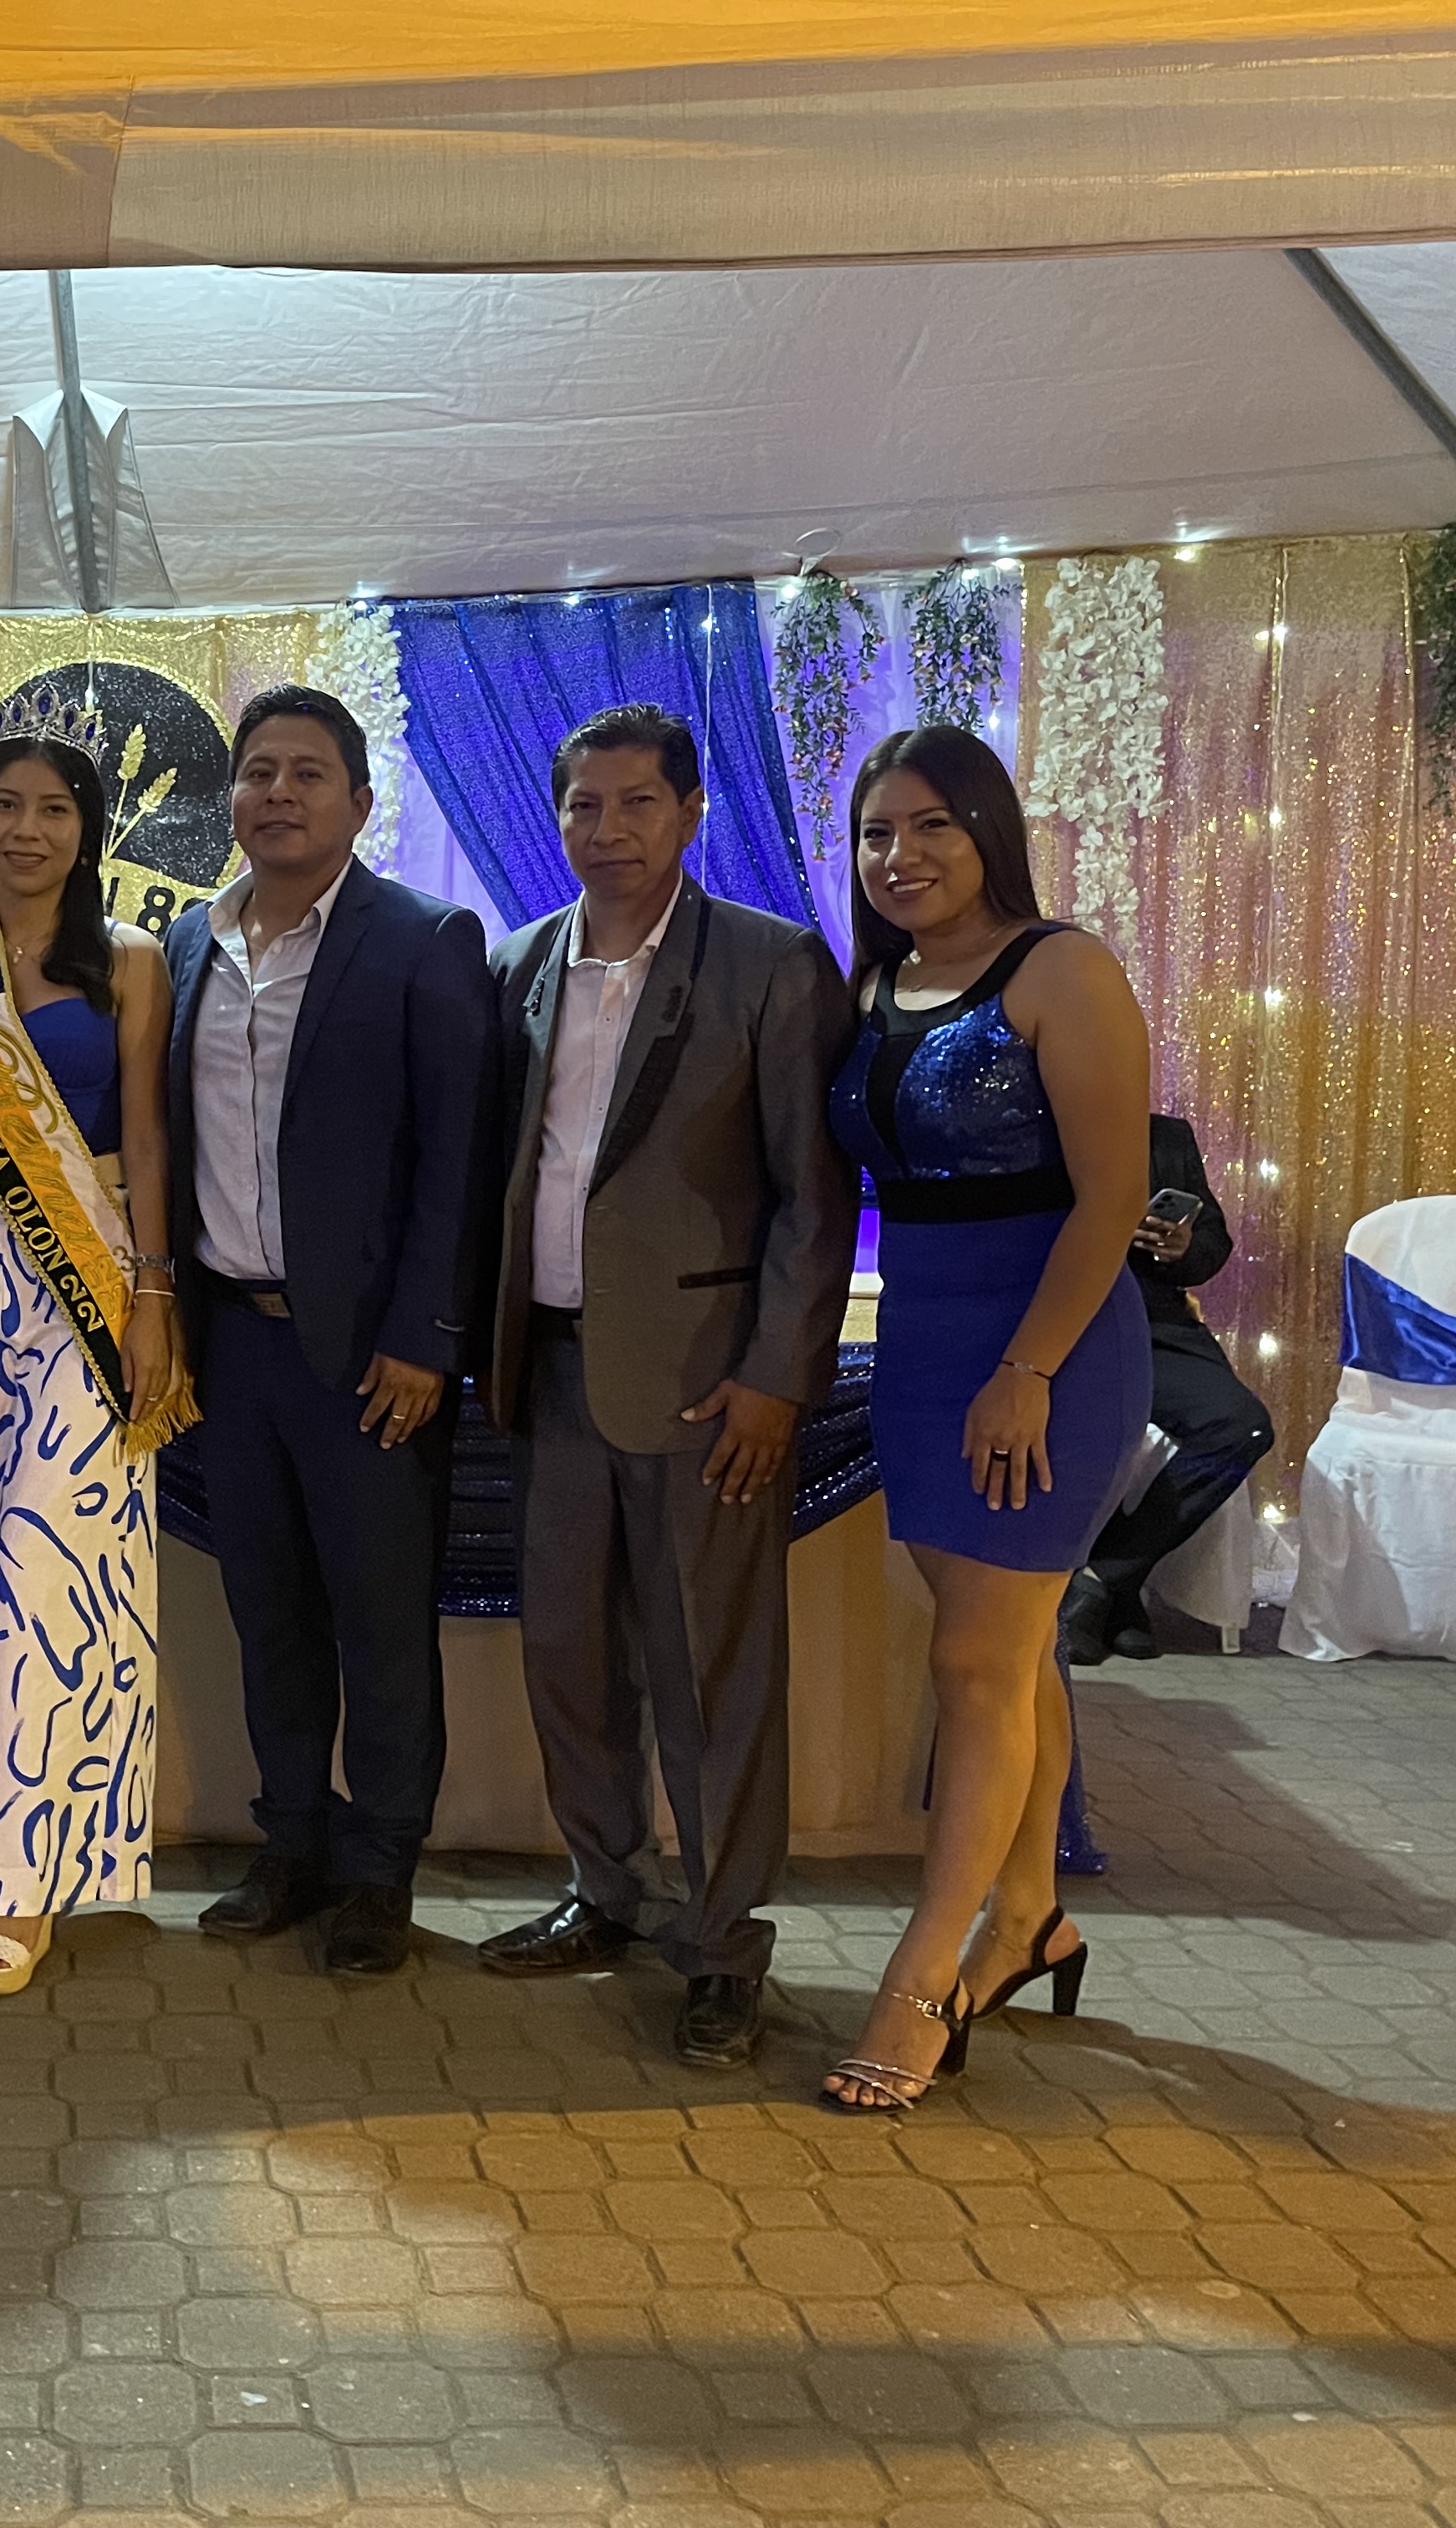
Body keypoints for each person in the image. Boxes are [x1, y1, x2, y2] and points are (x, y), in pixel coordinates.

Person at [471, 705, 859, 2068]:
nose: (609, 829)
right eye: (585, 804)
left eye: (638, 802)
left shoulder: (768, 964)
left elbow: (815, 1196)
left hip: (705, 1387)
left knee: (709, 1675)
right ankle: (606, 1888)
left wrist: (777, 1377)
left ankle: (724, 1941)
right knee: (569, 1657)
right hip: (549, 1367)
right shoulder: (519, 963)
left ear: (691, 812)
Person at [817, 728, 1150, 2111]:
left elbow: (1112, 1198)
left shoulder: (1062, 969)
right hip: (921, 1345)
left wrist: (1026, 1368)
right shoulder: (874, 984)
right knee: (1008, 1655)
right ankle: (1029, 1918)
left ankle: (923, 1980)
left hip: (1050, 1349)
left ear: (988, 831)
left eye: (931, 826)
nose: (900, 856)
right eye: (876, 833)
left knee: (972, 1662)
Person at [166, 686, 496, 1977]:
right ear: (231, 800)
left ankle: (379, 1870)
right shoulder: (190, 944)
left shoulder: (424, 938)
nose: (279, 793)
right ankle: (290, 1843)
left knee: (381, 1625)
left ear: (359, 803)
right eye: (258, 772)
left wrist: (426, 1334)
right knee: (271, 1615)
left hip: (370, 1353)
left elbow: (459, 1155)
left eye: (308, 773)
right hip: (233, 1346)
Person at [0, 732, 188, 1998]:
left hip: (92, 1279)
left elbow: (150, 1136)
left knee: (53, 1566)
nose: (27, 829)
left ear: (89, 827)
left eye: (54, 808)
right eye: (4, 805)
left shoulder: (131, 960)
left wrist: (155, 1297)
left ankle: (22, 1882)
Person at [1060, 1112, 1278, 1665]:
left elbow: (1213, 1242)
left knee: (1243, 1426)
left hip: (1156, 1324)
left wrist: (1182, 1246)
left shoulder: (1166, 1136)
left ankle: (1103, 1579)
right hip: (1063, 1323)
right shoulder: (1042, 1125)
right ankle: (1116, 1601)